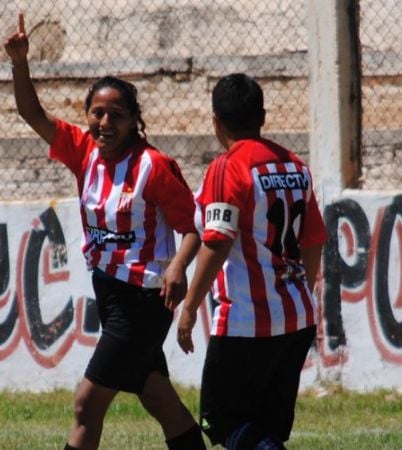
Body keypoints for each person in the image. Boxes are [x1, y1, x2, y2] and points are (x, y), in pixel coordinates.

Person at [4, 12, 205, 450]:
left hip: (145, 299)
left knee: (86, 404)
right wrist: (20, 62)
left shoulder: (155, 167)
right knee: (156, 396)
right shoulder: (83, 152)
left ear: (134, 120)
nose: (105, 123)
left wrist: (177, 268)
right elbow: (31, 113)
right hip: (111, 294)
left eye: (116, 114)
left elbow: (193, 227)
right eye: (97, 113)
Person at [176, 73, 326, 450]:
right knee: (266, 426)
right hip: (297, 316)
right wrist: (298, 291)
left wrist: (190, 306)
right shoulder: (294, 166)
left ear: (216, 122)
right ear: (262, 116)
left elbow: (218, 240)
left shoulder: (229, 168)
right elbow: (314, 240)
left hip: (246, 323)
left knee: (225, 424)